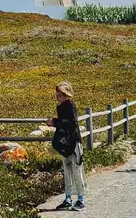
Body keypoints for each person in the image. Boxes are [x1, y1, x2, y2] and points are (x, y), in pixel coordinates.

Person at [48, 81, 87, 211]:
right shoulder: (60, 107)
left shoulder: (70, 105)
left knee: (77, 169)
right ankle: (68, 198)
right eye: (57, 94)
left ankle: (81, 199)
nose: (57, 97)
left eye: (59, 94)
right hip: (65, 142)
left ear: (66, 94)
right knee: (67, 170)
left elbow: (71, 123)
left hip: (74, 142)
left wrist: (54, 122)